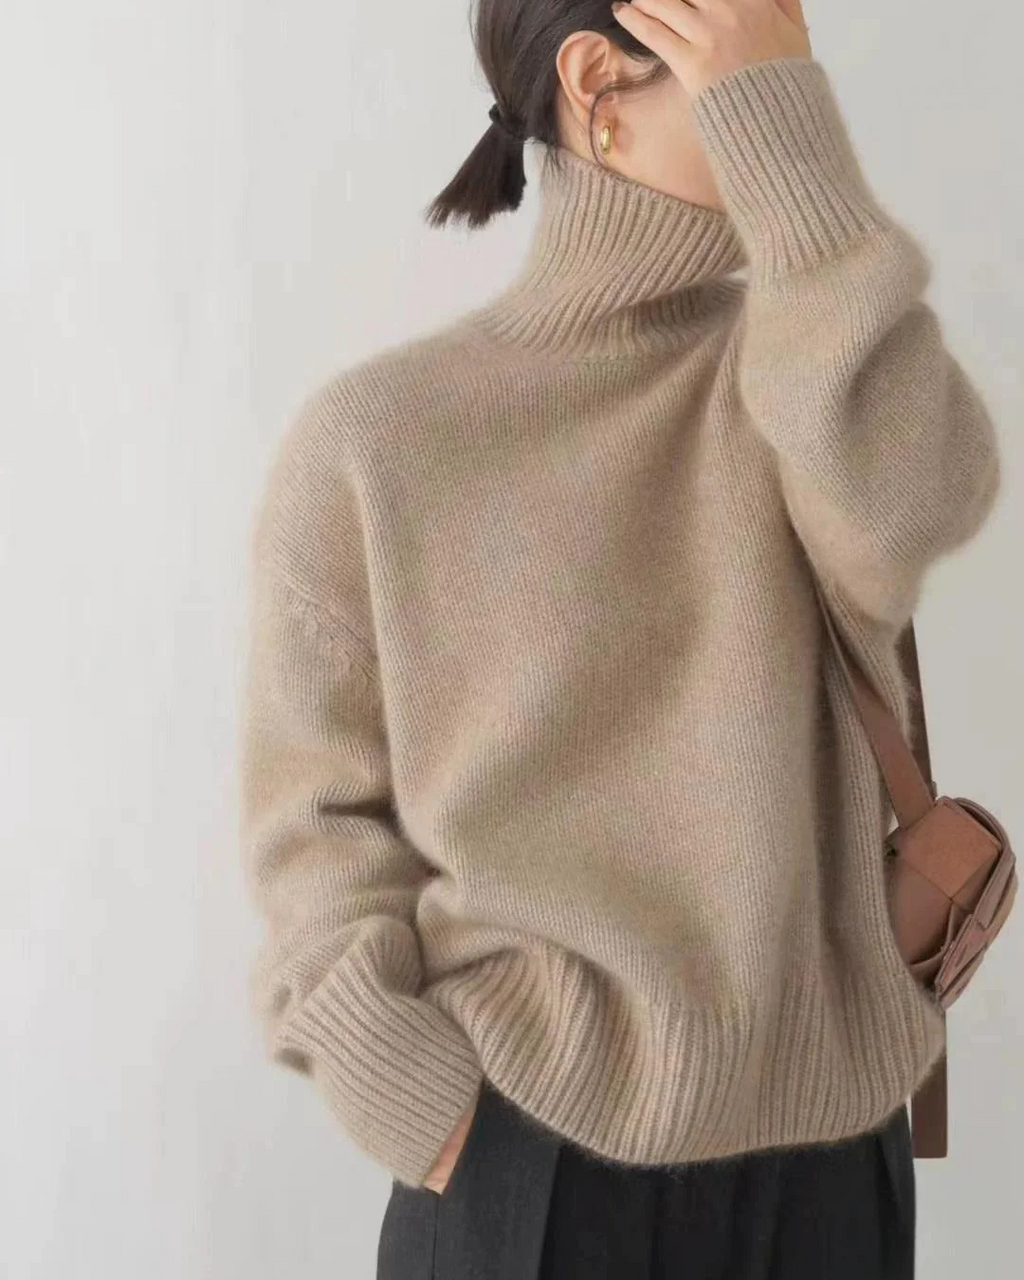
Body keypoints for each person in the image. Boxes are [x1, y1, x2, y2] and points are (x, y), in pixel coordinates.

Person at [239, 1, 1002, 1276]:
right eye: (750, 56)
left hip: (830, 1164)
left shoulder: (806, 375)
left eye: (794, 67)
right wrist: (429, 1111)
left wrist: (795, 165)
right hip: (530, 1165)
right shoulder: (378, 443)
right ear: (598, 81)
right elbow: (312, 831)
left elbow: (925, 497)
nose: (790, 92)